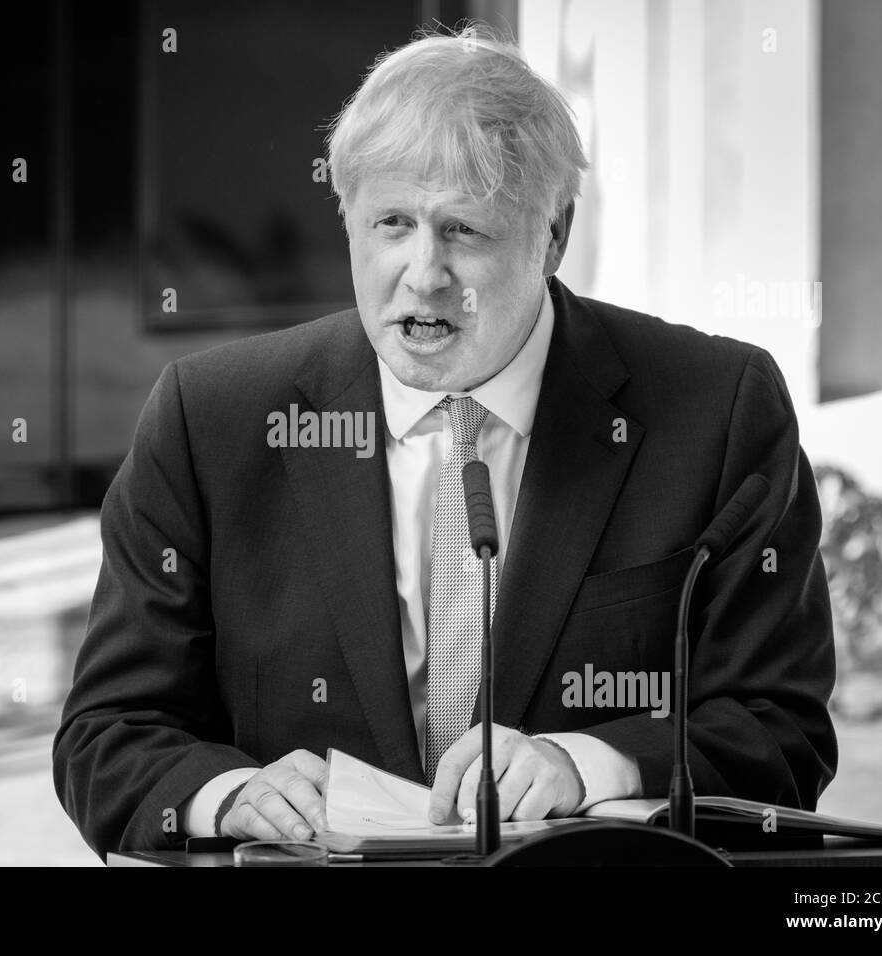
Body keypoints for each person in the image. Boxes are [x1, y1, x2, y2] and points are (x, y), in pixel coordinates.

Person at [53, 25, 837, 856]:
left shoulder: (716, 408)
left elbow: (780, 728)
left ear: (555, 234)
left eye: (464, 231)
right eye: (392, 222)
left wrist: (590, 761)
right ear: (347, 218)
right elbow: (109, 733)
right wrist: (233, 794)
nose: (424, 275)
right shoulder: (211, 419)